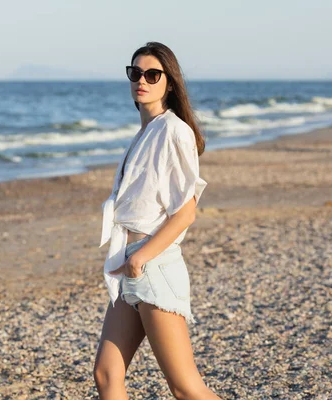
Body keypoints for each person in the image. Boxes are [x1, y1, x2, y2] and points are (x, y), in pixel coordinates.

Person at [93, 42, 221, 399]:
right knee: (106, 374)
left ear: (169, 82)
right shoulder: (145, 132)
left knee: (184, 388)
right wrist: (129, 259)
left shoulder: (173, 131)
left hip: (152, 263)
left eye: (153, 74)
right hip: (130, 262)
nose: (142, 81)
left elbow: (186, 210)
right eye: (135, 73)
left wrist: (141, 257)